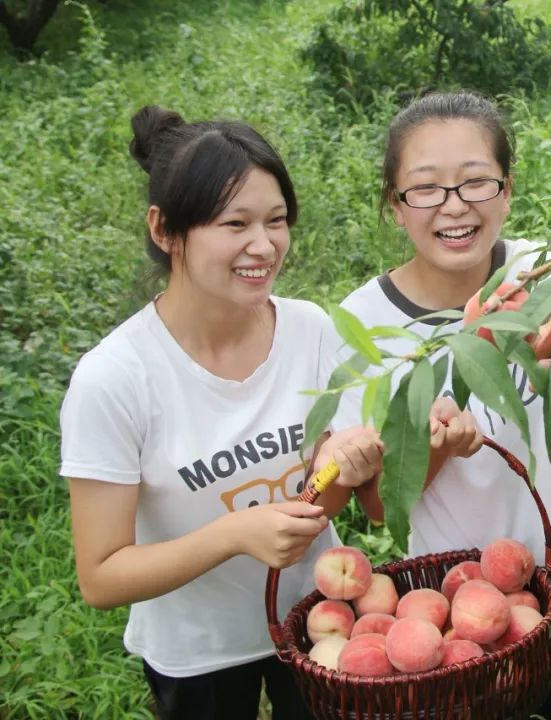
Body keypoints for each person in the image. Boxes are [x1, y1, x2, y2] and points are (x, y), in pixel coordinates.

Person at [58, 105, 480, 720]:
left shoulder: (309, 329)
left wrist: (343, 466)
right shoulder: (116, 378)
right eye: (235, 223)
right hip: (196, 652)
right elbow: (102, 577)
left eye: (277, 220)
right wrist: (233, 536)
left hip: (315, 623)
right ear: (164, 229)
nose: (264, 245)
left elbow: (315, 502)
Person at [334, 90, 551, 719]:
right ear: (394, 206)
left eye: (477, 182)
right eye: (425, 188)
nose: (454, 206)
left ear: (508, 190)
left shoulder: (545, 272)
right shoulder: (363, 324)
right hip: (450, 607)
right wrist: (435, 448)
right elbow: (377, 506)